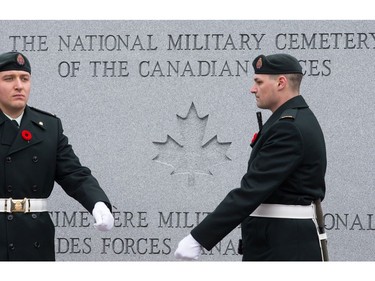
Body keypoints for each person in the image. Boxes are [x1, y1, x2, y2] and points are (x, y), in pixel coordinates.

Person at [174, 53, 327, 261]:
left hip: (283, 248)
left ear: (281, 83)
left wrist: (198, 238)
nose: (252, 89)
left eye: (258, 82)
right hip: (281, 241)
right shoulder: (292, 120)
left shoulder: (288, 128)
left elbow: (251, 190)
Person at [0, 51, 114, 261]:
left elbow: (73, 173)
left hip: (34, 238)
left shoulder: (48, 127)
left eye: (24, 79)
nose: (19, 85)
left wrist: (97, 202)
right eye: (9, 79)